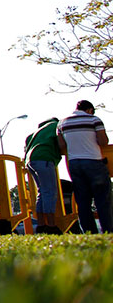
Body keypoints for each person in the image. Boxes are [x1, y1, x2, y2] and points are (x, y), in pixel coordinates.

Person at [57, 100, 113, 234]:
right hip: (94, 161)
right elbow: (103, 142)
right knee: (103, 199)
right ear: (89, 110)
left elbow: (61, 146)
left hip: (74, 164)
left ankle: (89, 231)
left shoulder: (62, 123)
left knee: (82, 201)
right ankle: (108, 231)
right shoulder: (94, 120)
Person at [23, 117, 61, 232]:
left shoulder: (36, 133)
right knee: (50, 192)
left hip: (30, 161)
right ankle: (51, 225)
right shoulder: (56, 126)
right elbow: (61, 143)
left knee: (42, 192)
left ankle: (41, 225)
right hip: (44, 158)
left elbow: (27, 141)